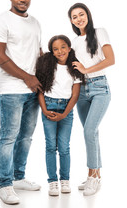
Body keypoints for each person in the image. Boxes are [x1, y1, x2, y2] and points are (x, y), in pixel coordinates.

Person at [0, 0, 42, 205]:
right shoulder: (1, 21)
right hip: (11, 90)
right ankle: (5, 184)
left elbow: (37, 53)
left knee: (26, 137)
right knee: (8, 137)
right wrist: (27, 77)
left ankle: (18, 177)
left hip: (34, 89)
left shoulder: (35, 22)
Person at [68, 3, 115, 196]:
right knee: (91, 133)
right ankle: (94, 175)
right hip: (82, 90)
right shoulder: (74, 41)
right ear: (71, 21)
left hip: (99, 87)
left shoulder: (99, 32)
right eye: (74, 17)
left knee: (89, 130)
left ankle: (93, 178)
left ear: (88, 15)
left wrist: (87, 70)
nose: (79, 19)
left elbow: (110, 59)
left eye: (82, 14)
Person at [35, 35, 84, 196]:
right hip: (48, 106)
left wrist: (64, 115)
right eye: (55, 49)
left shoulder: (75, 68)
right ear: (52, 52)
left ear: (69, 48)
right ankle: (53, 182)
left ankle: (65, 180)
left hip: (66, 109)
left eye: (63, 47)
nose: (60, 51)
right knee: (50, 145)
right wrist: (44, 109)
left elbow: (75, 95)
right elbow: (40, 91)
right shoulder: (47, 66)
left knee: (64, 147)